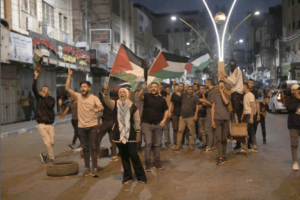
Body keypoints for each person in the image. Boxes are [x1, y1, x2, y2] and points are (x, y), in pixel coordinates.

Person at [103, 85, 147, 183]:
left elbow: (137, 120)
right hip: (118, 135)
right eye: (120, 92)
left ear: (127, 94)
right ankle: (127, 177)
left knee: (134, 155)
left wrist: (138, 132)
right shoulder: (114, 104)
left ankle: (141, 177)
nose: (121, 94)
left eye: (123, 92)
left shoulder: (133, 106)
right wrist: (106, 90)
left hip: (131, 135)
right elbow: (106, 100)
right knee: (124, 156)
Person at [65, 67, 104, 177]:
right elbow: (67, 88)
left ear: (89, 88)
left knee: (93, 147)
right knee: (85, 148)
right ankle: (87, 168)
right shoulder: (78, 96)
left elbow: (101, 106)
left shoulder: (94, 98)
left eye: (85, 87)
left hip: (92, 126)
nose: (82, 88)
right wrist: (69, 75)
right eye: (81, 87)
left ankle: (94, 168)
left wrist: (98, 109)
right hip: (81, 127)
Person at [138, 82, 168, 171]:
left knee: (157, 144)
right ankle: (148, 165)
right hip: (147, 125)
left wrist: (164, 120)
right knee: (148, 144)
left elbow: (166, 110)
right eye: (152, 87)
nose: (153, 88)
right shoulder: (147, 96)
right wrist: (143, 89)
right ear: (150, 88)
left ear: (158, 88)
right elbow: (140, 97)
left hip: (158, 125)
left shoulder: (162, 99)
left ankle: (157, 163)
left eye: (155, 87)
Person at [32, 70, 56, 164]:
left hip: (50, 124)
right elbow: (33, 88)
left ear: (48, 91)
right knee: (47, 143)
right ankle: (52, 158)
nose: (43, 91)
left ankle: (44, 155)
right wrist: (35, 77)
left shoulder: (51, 99)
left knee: (52, 142)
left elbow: (50, 105)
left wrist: (45, 97)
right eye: (42, 90)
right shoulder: (39, 99)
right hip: (41, 124)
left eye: (45, 90)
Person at [171, 82, 199, 151]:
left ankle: (191, 145)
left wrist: (196, 115)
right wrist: (174, 85)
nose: (189, 90)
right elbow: (176, 92)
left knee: (191, 131)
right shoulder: (183, 95)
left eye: (191, 89)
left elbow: (197, 107)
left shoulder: (195, 97)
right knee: (180, 130)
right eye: (188, 89)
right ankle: (178, 145)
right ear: (186, 90)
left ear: (192, 90)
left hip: (191, 116)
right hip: (182, 116)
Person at [217, 59, 244, 123]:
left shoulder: (237, 70)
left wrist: (226, 76)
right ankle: (235, 126)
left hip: (237, 93)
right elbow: (230, 83)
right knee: (233, 111)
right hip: (233, 93)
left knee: (235, 112)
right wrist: (223, 78)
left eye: (233, 63)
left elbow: (234, 82)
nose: (232, 64)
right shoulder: (231, 72)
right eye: (230, 63)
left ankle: (238, 126)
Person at [211, 81, 231, 165]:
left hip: (226, 119)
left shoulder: (228, 94)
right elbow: (213, 108)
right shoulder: (213, 96)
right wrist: (212, 120)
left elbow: (226, 102)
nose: (221, 86)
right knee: (218, 138)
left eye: (222, 85)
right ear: (217, 87)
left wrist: (222, 92)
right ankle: (220, 156)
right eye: (220, 85)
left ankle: (224, 155)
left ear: (225, 87)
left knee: (224, 139)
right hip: (217, 119)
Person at [98, 89, 118, 161]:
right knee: (112, 139)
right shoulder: (114, 101)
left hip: (105, 122)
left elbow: (99, 113)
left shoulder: (102, 101)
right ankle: (114, 155)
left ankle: (95, 155)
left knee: (98, 138)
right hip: (113, 122)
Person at [199, 79, 218, 152]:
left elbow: (212, 103)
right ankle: (213, 144)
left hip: (211, 113)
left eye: (205, 82)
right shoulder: (210, 91)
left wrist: (204, 101)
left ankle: (210, 145)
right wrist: (204, 96)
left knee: (209, 129)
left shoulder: (213, 91)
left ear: (208, 83)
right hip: (208, 112)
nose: (204, 83)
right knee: (210, 129)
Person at [284, 84, 300, 171]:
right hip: (293, 125)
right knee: (294, 145)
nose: (298, 91)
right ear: (292, 91)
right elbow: (290, 108)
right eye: (297, 89)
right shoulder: (290, 99)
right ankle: (295, 162)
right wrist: (297, 98)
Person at [240, 83, 256, 152]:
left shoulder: (250, 95)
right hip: (246, 114)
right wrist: (242, 116)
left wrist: (251, 117)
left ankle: (244, 146)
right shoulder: (245, 96)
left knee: (244, 130)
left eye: (242, 86)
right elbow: (244, 107)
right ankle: (255, 146)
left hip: (249, 114)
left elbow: (253, 106)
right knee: (251, 131)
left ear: (245, 87)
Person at [131, 87, 144, 151]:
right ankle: (133, 145)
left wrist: (143, 89)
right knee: (132, 131)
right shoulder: (130, 95)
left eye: (137, 86)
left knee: (139, 130)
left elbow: (140, 96)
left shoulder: (140, 94)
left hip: (140, 115)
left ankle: (139, 146)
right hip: (131, 115)